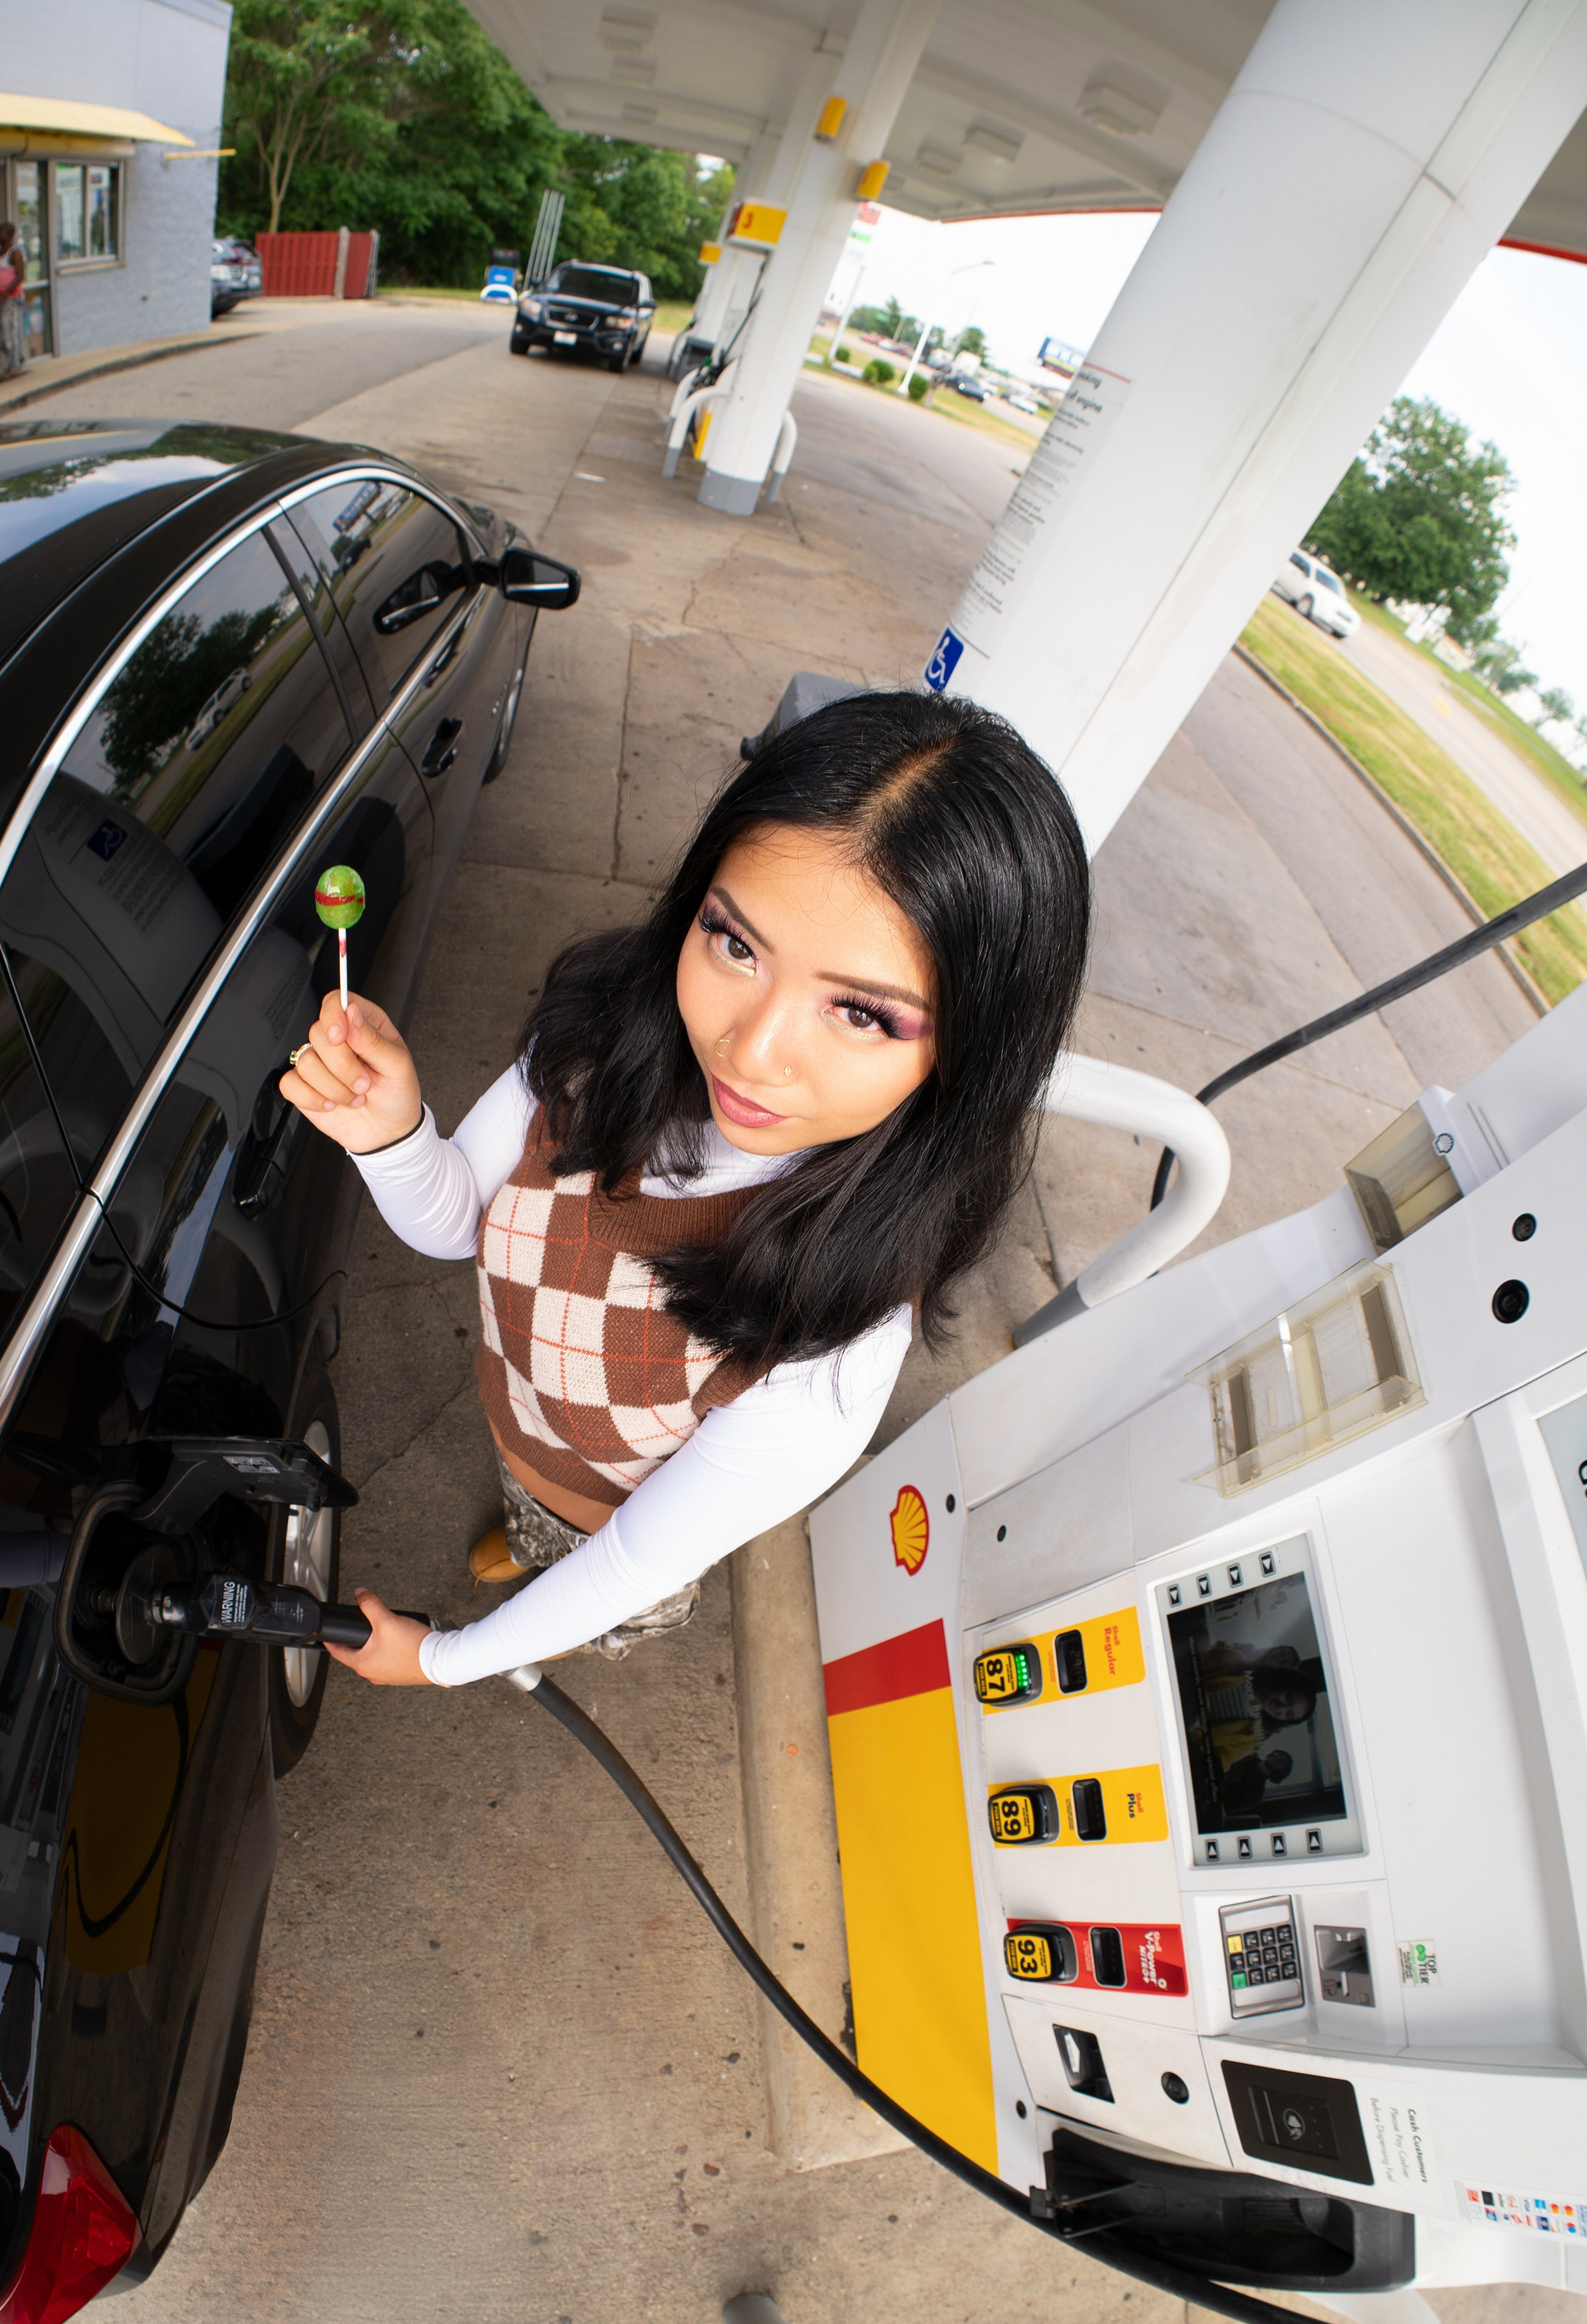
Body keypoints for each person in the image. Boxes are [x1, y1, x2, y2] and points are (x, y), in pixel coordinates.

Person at [280, 690, 1091, 1690]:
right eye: (736, 945)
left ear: (974, 1053)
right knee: (533, 1535)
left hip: (614, 1532)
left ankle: (541, 1599)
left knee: (583, 1599)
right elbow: (464, 1227)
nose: (750, 1052)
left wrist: (447, 1659)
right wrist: (394, 1135)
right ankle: (528, 1543)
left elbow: (634, 1560)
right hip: (522, 1430)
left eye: (861, 1014)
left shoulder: (833, 1344)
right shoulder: (588, 1052)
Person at [0, 224, 26, 377]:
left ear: (10, 234)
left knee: (9, 331)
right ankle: (17, 357)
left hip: (12, 298)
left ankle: (14, 367)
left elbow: (20, 276)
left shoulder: (15, 253)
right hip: (0, 299)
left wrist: (3, 294)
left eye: (1, 232)